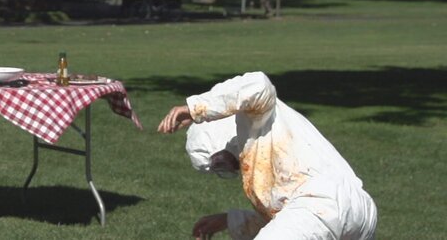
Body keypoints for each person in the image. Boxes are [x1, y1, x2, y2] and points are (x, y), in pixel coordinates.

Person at [158, 72, 377, 240]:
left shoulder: (255, 118)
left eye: (220, 162)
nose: (228, 168)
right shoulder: (258, 167)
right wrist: (228, 220)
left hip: (323, 203)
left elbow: (258, 83)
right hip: (358, 214)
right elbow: (285, 222)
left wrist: (195, 108)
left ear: (220, 135)